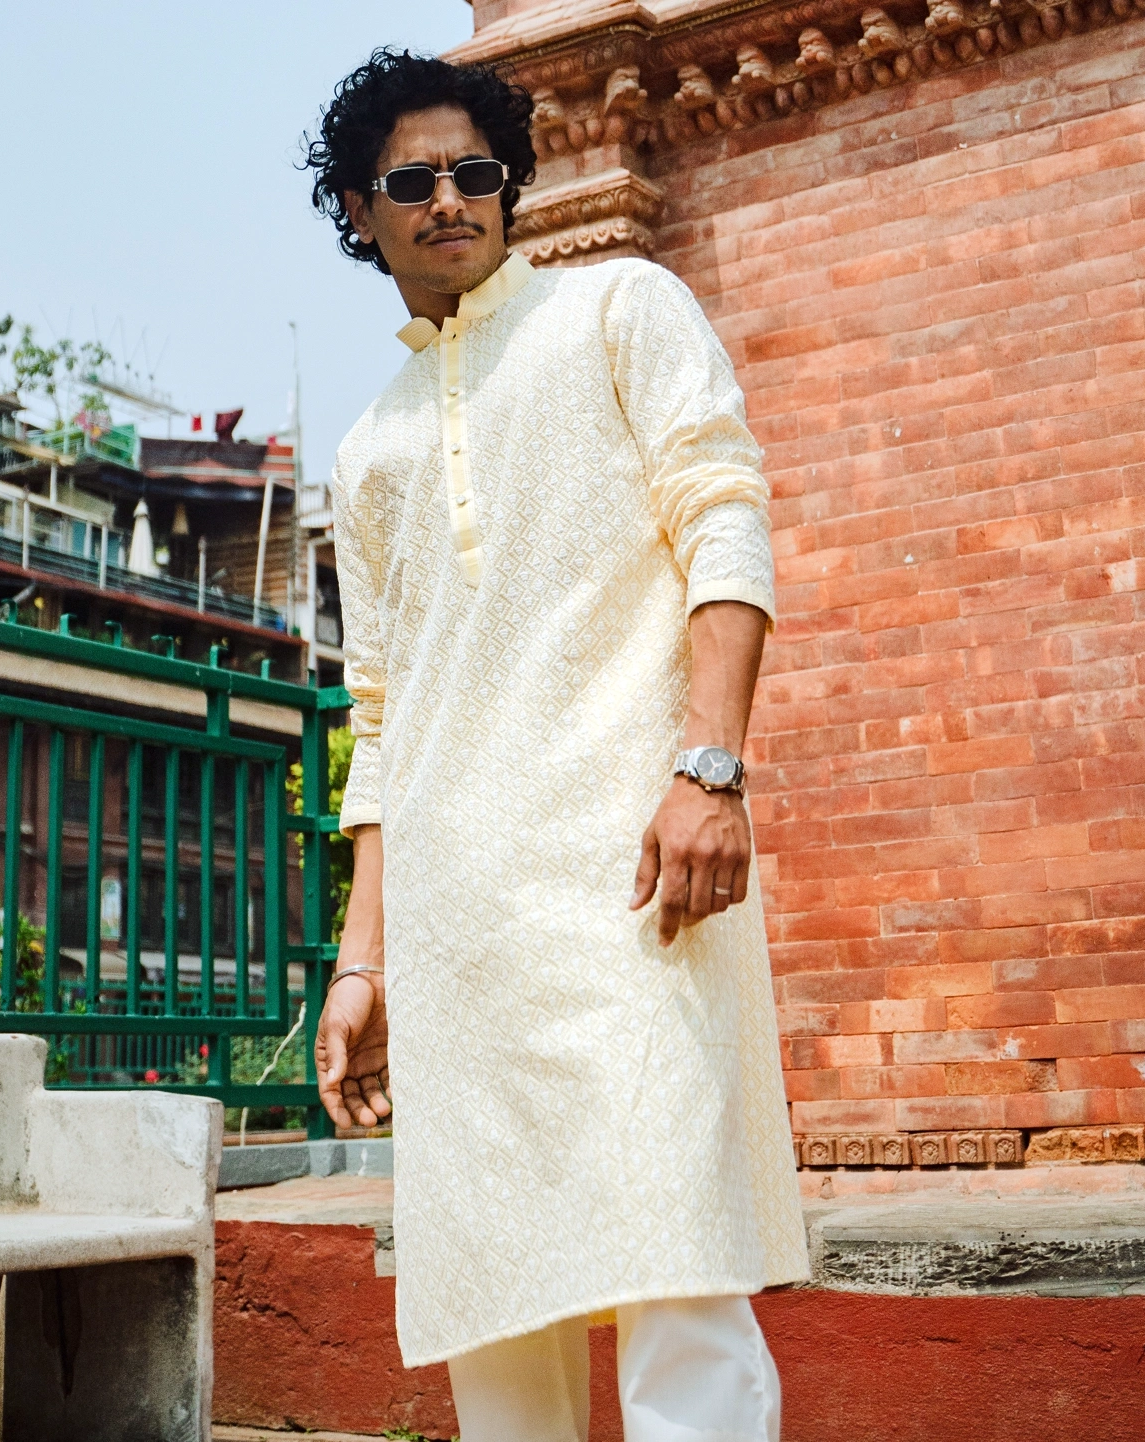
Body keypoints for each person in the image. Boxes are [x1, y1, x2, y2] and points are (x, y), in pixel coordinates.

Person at [305, 49, 808, 1442]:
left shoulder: (619, 309)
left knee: (676, 1258)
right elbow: (380, 714)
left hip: (636, 880)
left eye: (476, 171)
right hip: (461, 929)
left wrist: (710, 765)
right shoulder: (368, 450)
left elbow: (725, 518)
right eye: (414, 179)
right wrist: (364, 961)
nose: (450, 198)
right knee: (498, 1311)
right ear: (359, 209)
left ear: (511, 184)